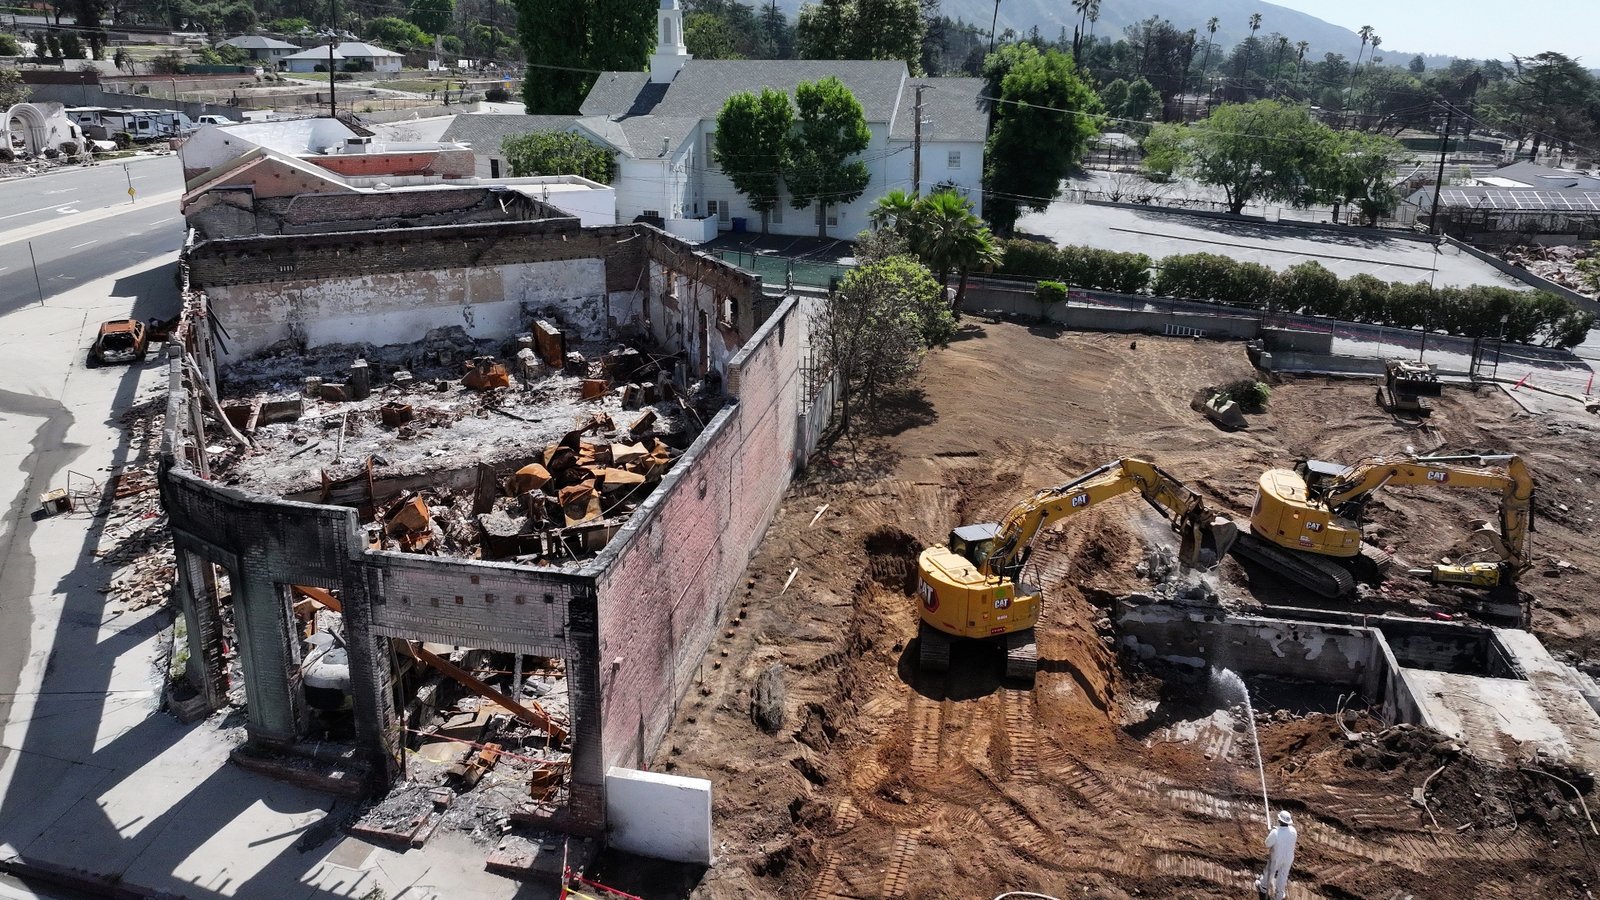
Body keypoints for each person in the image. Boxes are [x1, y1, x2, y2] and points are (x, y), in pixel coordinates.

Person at [1257, 809, 1297, 900]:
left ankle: (1263, 887)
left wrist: (1271, 834)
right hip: (1288, 858)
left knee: (1270, 871)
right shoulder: (1293, 831)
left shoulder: (1275, 833)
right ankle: (1279, 895)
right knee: (1283, 875)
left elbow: (1267, 844)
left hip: (1277, 857)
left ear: (1279, 820)